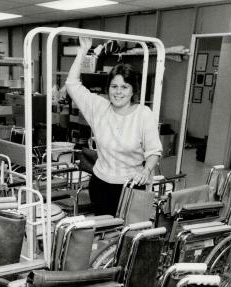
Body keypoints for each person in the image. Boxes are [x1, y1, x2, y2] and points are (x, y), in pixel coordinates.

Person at [66, 37, 162, 216]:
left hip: (132, 187)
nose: (118, 92)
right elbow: (72, 84)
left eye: (124, 87)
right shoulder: (98, 107)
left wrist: (146, 169)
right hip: (101, 185)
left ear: (133, 90)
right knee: (105, 238)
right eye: (114, 86)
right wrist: (83, 51)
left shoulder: (143, 114)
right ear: (108, 88)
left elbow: (154, 151)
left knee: (129, 238)